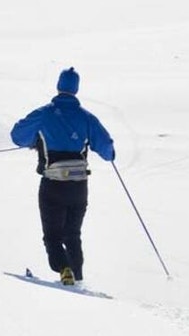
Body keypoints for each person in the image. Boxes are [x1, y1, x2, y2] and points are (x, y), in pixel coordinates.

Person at [10, 68, 116, 286]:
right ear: (76, 89)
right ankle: (77, 279)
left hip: (53, 184)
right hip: (79, 187)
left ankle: (64, 269)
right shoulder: (87, 117)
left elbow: (17, 135)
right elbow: (107, 149)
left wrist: (35, 140)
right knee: (73, 234)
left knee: (52, 236)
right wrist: (109, 153)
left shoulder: (44, 113)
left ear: (59, 86)